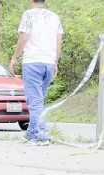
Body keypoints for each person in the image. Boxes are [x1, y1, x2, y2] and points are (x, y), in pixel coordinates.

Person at [9, 0, 64, 146]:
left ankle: (41, 136)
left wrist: (14, 57)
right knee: (39, 99)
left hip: (33, 62)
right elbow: (59, 41)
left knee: (35, 101)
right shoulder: (54, 17)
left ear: (31, 1)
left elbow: (24, 37)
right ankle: (31, 134)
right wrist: (56, 61)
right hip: (49, 63)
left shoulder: (28, 15)